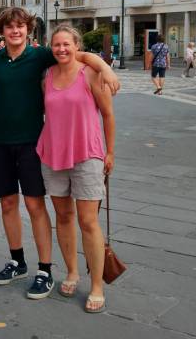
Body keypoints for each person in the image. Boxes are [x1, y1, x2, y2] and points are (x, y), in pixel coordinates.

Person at [0, 7, 119, 300]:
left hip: (35, 144)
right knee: (11, 205)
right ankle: (19, 262)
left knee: (38, 207)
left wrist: (105, 67)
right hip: (1, 143)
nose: (15, 31)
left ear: (29, 30)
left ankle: (46, 269)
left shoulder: (42, 56)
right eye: (10, 27)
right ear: (2, 32)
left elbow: (76, 55)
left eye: (20, 26)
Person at [37, 24, 114, 313]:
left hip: (87, 155)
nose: (61, 49)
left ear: (76, 46)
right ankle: (71, 271)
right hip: (53, 153)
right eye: (56, 45)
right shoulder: (47, 75)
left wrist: (111, 152)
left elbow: (107, 114)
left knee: (88, 221)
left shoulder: (90, 73)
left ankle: (97, 285)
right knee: (63, 216)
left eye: (66, 44)